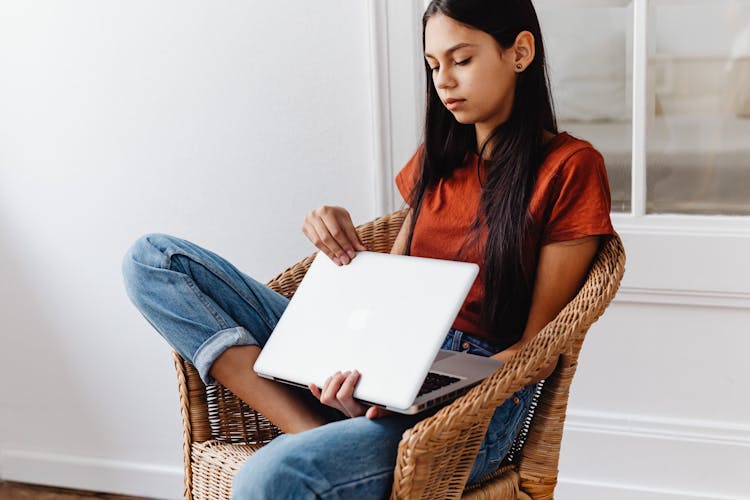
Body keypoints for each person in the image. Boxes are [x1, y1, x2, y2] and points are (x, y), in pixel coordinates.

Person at [122, 0, 615, 498]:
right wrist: (340, 247)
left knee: (268, 478)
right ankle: (314, 428)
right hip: (385, 358)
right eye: (433, 65)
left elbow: (536, 350)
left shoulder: (570, 168)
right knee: (153, 260)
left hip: (473, 404)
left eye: (461, 60)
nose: (443, 80)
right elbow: (389, 295)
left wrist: (416, 388)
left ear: (521, 52)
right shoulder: (437, 162)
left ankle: (329, 432)